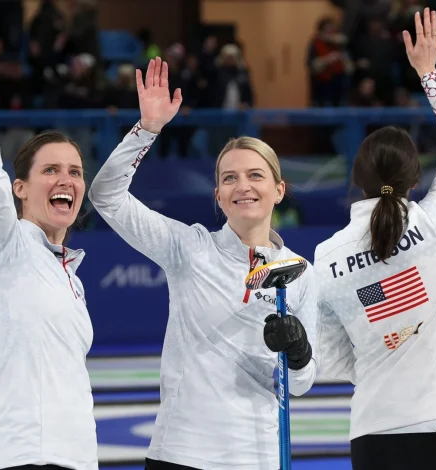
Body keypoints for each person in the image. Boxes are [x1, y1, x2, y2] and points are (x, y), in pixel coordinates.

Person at [87, 57, 318, 470]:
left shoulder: (299, 271)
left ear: (279, 190)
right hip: (181, 453)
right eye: (229, 178)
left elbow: (300, 384)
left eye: (255, 175)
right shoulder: (189, 248)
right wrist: (147, 130)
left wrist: (299, 353)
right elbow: (106, 196)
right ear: (218, 195)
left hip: (258, 458)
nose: (242, 186)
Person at [312, 8, 436, 470]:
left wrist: (380, 361)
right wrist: (428, 73)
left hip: (372, 429)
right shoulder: (434, 222)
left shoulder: (326, 257)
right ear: (414, 178)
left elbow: (331, 356)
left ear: (356, 179)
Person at [0, 17, 97, 470]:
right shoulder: (6, 243)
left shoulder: (70, 275)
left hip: (78, 458)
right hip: (27, 456)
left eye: (75, 172)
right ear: (20, 188)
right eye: (50, 170)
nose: (66, 180)